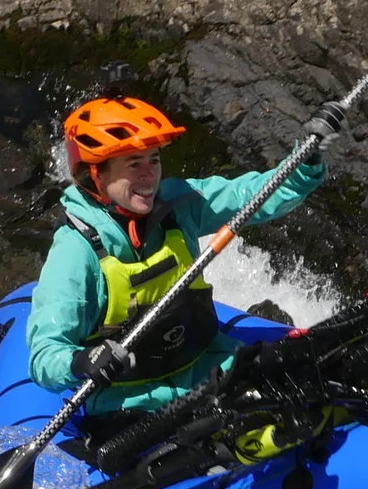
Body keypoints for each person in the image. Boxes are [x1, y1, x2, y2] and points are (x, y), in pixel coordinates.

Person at [26, 94, 327, 419]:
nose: (149, 175)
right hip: (134, 408)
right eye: (133, 163)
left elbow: (254, 194)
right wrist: (81, 361)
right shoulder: (75, 252)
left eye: (153, 160)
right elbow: (45, 357)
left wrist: (303, 164)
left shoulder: (180, 202)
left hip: (212, 375)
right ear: (96, 174)